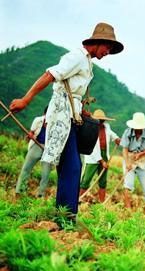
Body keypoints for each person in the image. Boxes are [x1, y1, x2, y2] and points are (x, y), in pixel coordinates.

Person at [10, 22, 124, 221]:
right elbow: (50, 74)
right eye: (108, 47)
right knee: (72, 166)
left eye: (111, 49)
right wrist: (26, 99)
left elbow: (75, 94)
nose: (108, 52)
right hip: (62, 114)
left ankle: (65, 213)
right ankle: (66, 215)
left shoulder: (87, 62)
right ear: (98, 42)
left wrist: (82, 113)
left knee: (71, 166)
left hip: (72, 115)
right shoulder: (77, 57)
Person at [80, 109, 120, 202]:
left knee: (103, 181)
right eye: (99, 120)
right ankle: (79, 200)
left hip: (104, 153)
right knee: (86, 180)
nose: (101, 122)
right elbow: (92, 148)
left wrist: (117, 139)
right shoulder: (90, 128)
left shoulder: (106, 126)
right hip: (92, 157)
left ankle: (102, 202)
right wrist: (101, 161)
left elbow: (112, 134)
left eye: (102, 120)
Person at [120, 112, 145, 207]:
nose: (138, 129)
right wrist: (127, 163)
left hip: (143, 160)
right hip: (130, 158)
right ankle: (128, 209)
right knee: (128, 185)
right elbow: (124, 149)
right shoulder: (128, 132)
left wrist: (140, 154)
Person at [15, 106, 51, 197]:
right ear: (45, 114)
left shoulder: (55, 125)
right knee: (26, 169)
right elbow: (31, 132)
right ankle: (19, 191)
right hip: (36, 145)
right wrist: (30, 135)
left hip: (48, 150)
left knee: (45, 174)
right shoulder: (38, 120)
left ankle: (40, 195)